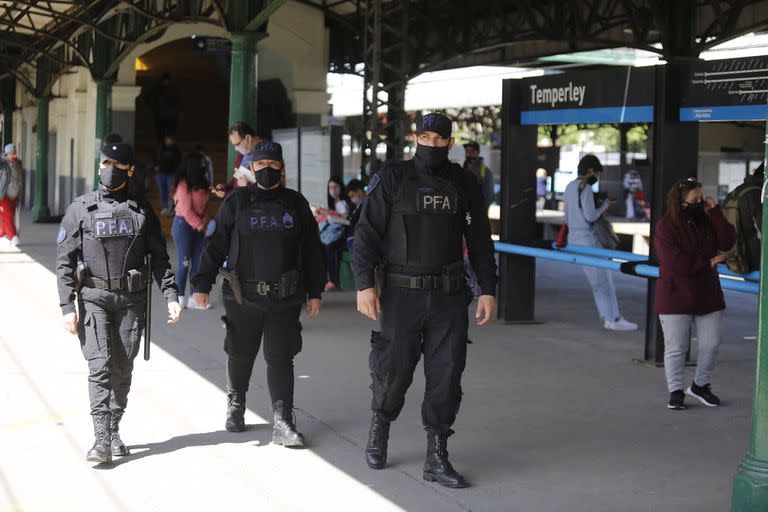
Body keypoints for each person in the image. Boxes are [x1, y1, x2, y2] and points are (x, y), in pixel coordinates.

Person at [353, 113, 498, 489]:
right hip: (401, 295)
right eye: (426, 136)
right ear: (416, 138)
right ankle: (380, 426)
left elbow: (481, 239)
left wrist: (488, 288)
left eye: (440, 139)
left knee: (447, 377)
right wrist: (364, 284)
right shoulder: (392, 179)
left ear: (451, 143)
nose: (431, 144)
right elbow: (366, 233)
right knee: (393, 371)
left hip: (449, 296)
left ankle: (437, 455)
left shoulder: (464, 183)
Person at [191, 141, 325, 448]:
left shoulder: (295, 203)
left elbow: (312, 250)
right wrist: (202, 283)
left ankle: (283, 420)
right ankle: (236, 404)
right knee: (240, 352)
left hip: (285, 297)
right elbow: (216, 243)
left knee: (281, 357)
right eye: (260, 164)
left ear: (282, 168)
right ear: (251, 168)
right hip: (242, 296)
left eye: (273, 165)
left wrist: (315, 290)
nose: (266, 169)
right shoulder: (237, 202)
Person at [56, 142, 182, 464]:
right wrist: (67, 306)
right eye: (106, 162)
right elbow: (65, 262)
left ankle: (113, 431)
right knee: (100, 367)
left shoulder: (141, 211)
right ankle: (100, 439)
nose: (111, 168)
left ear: (131, 170)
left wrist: (171, 295)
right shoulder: (81, 209)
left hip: (130, 299)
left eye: (118, 163)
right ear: (99, 166)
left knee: (123, 367)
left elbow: (160, 258)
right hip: (94, 298)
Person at [654, 177, 736, 410]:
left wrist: (716, 213)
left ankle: (701, 385)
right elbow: (673, 262)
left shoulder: (706, 221)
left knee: (711, 344)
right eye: (695, 200)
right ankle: (676, 391)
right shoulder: (665, 227)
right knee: (676, 347)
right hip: (675, 295)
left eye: (702, 198)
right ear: (681, 203)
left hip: (707, 293)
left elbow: (728, 241)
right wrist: (706, 263)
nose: (700, 203)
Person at [565, 154, 638, 331]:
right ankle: (612, 319)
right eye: (597, 173)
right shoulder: (586, 189)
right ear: (590, 171)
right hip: (588, 239)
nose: (597, 177)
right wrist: (604, 204)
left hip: (574, 239)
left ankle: (609, 317)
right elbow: (590, 216)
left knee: (597, 280)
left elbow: (567, 218)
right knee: (603, 280)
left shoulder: (570, 186)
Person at [172, 153, 211, 310]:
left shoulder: (204, 184)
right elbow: (185, 210)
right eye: (201, 164)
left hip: (198, 226)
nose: (204, 167)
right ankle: (179, 297)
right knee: (184, 263)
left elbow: (206, 207)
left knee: (198, 262)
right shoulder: (183, 185)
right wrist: (199, 224)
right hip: (183, 225)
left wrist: (205, 221)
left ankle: (195, 298)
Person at [722, 163, 763, 273]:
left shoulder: (735, 192)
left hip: (733, 258)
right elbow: (765, 229)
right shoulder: (757, 195)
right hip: (753, 261)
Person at [212, 122, 261, 199]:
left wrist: (246, 186)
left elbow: (272, 189)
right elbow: (236, 181)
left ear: (248, 138)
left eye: (237, 144)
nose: (236, 148)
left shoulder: (268, 153)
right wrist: (225, 189)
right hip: (239, 204)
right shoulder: (242, 153)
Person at [318, 176, 351, 291]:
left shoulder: (345, 203)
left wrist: (331, 214)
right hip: (332, 234)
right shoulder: (332, 203)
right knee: (322, 247)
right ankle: (324, 279)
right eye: (330, 187)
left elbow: (346, 218)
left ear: (341, 187)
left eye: (335, 186)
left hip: (342, 234)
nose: (333, 189)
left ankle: (333, 280)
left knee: (331, 249)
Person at [147, 73, 182, 145]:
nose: (166, 82)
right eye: (165, 81)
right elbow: (150, 99)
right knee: (161, 132)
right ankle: (162, 145)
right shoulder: (157, 90)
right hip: (160, 115)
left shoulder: (173, 90)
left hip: (170, 115)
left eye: (167, 81)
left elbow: (178, 101)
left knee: (170, 131)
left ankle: (169, 146)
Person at [152, 134, 182, 215]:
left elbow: (178, 162)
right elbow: (154, 158)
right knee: (162, 191)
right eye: (168, 139)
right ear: (165, 139)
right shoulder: (159, 148)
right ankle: (165, 207)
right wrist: (155, 166)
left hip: (171, 174)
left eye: (171, 139)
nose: (169, 141)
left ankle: (172, 208)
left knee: (172, 191)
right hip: (160, 174)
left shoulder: (176, 150)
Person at [0, 143, 23, 247]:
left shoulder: (18, 163)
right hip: (4, 194)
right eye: (11, 153)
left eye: (14, 152)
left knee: (8, 216)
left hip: (15, 193)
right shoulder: (3, 163)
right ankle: (13, 236)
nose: (14, 154)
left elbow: (20, 179)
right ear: (7, 154)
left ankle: (4, 234)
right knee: (7, 216)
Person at [463, 141, 494, 210]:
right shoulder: (461, 171)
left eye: (472, 151)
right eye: (467, 151)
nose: (469, 154)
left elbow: (488, 198)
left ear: (478, 153)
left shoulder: (486, 172)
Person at [345, 178, 366, 252]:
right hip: (352, 237)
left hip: (357, 239)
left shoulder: (367, 205)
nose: (352, 199)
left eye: (353, 195)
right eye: (350, 197)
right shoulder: (355, 206)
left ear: (359, 191)